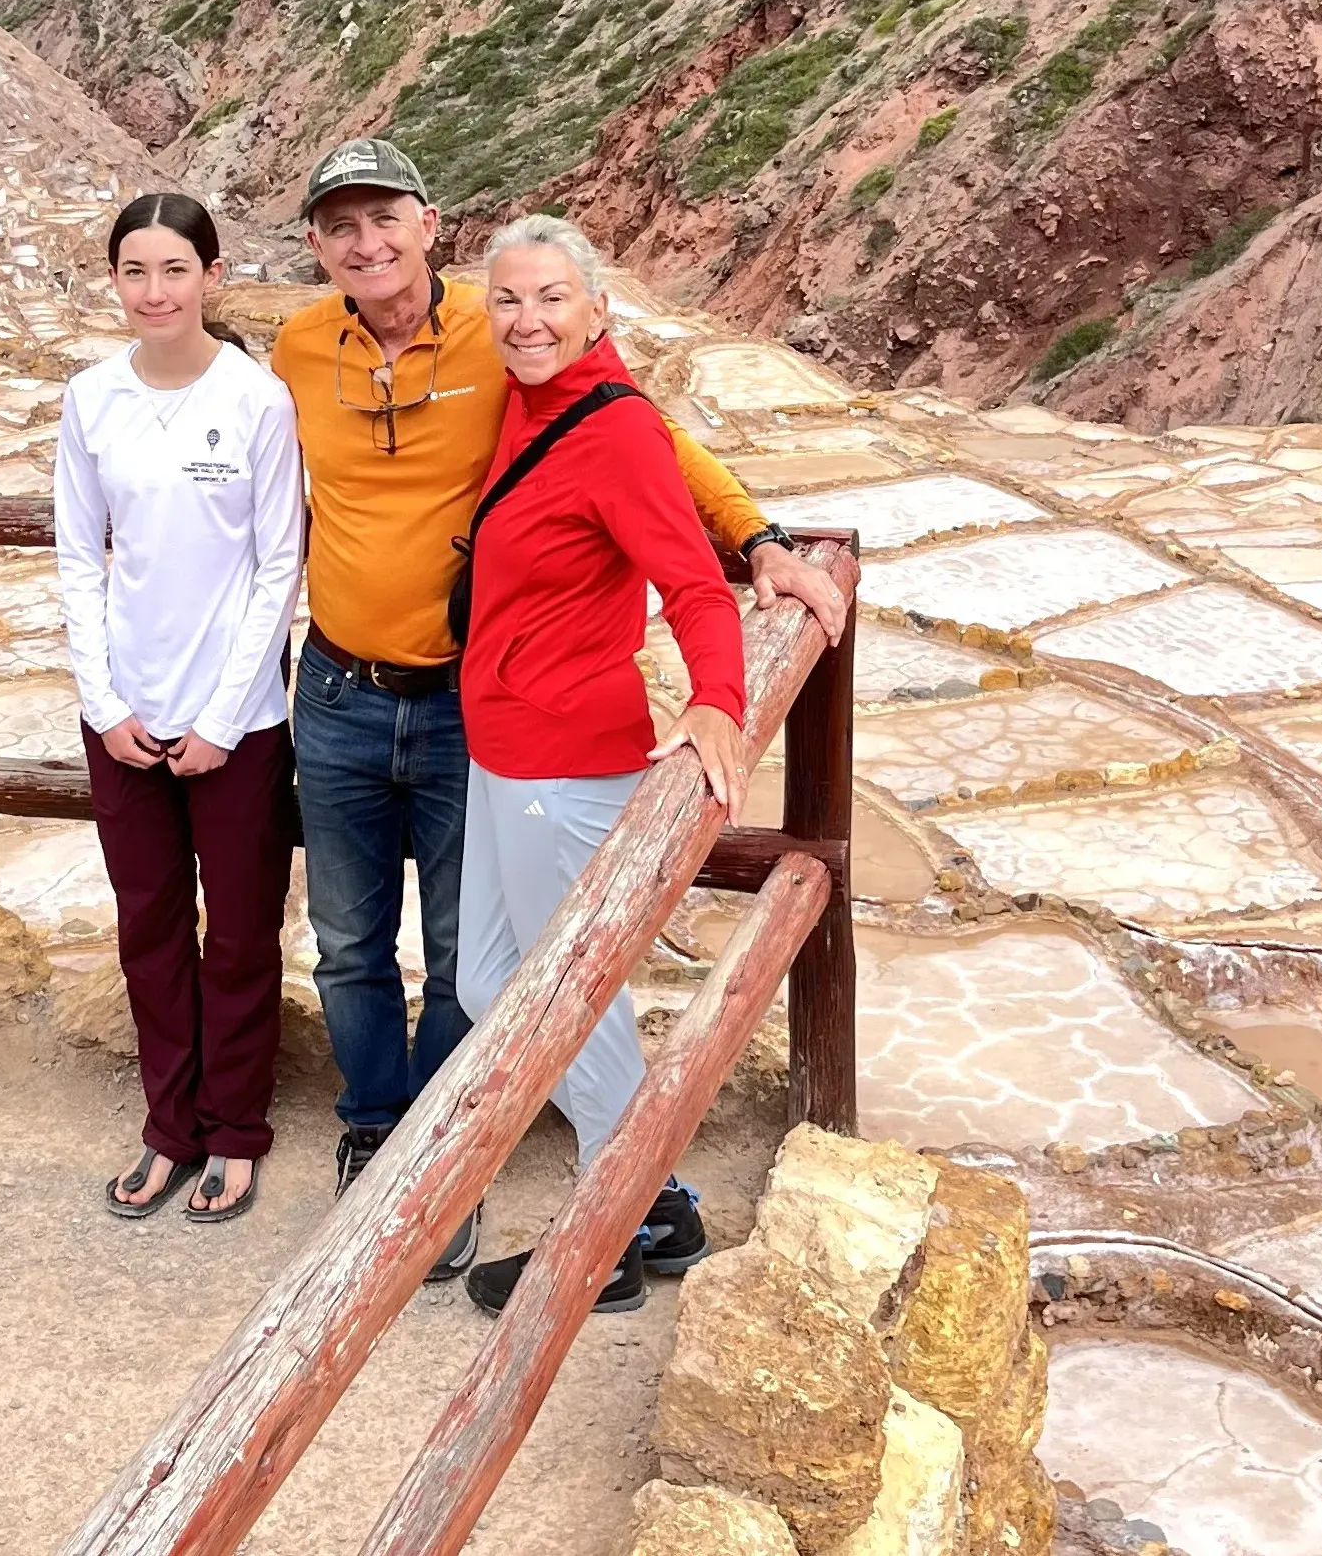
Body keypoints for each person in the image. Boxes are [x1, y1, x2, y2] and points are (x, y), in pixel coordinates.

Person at [269, 137, 850, 1280]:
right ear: (316, 244)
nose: (367, 242)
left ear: (429, 224)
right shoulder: (321, 348)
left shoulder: (512, 351)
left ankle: (619, 1206)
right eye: (342, 224)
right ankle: (581, 1184)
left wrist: (758, 545)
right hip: (386, 702)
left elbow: (652, 449)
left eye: (386, 217)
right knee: (459, 969)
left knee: (539, 978)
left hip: (524, 735)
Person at [453, 214, 746, 1314]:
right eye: (509, 299)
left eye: (552, 298)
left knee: (566, 1000)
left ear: (598, 310)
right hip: (504, 747)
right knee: (492, 981)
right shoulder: (528, 404)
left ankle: (608, 1233)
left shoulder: (615, 429)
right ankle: (656, 1201)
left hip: (565, 762)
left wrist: (718, 700)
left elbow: (696, 584)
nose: (527, 319)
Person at [55, 191, 304, 1223]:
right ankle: (170, 1126)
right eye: (135, 271)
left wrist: (220, 718)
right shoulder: (91, 399)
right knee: (148, 927)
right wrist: (104, 701)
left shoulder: (257, 401)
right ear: (114, 279)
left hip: (237, 720)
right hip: (124, 713)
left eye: (174, 269)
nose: (154, 291)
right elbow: (80, 555)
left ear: (211, 275)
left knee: (240, 931)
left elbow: (279, 564)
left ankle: (234, 1128)